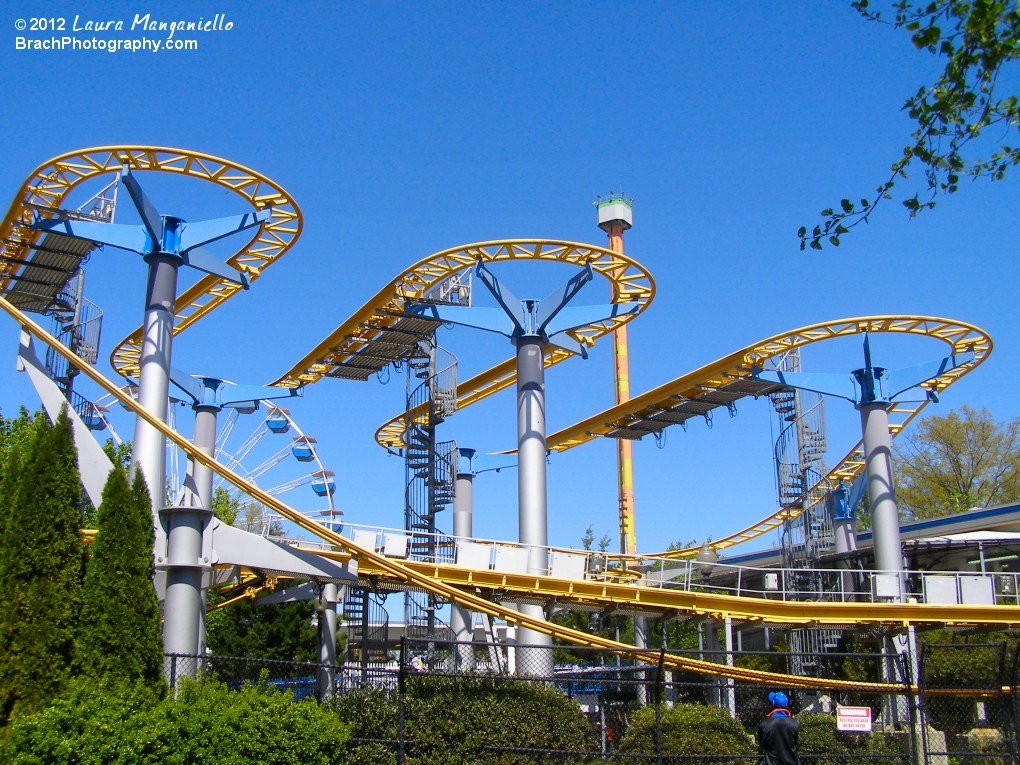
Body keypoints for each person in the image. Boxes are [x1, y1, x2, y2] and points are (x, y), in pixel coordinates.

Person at [757, 691, 800, 765]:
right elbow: (796, 743)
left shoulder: (765, 724)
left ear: (773, 704)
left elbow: (762, 744)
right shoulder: (794, 723)